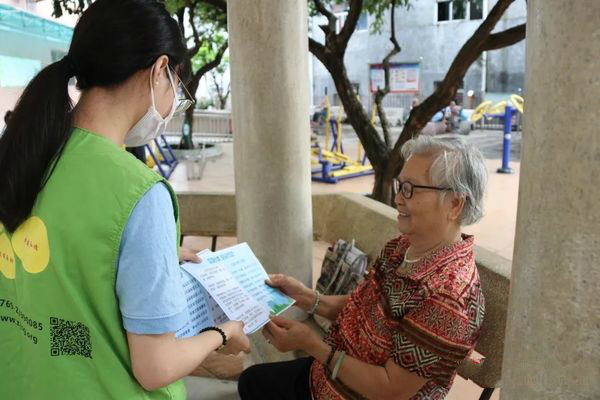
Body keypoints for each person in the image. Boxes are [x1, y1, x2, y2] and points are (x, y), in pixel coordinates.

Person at [0, 1, 249, 399]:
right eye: (176, 84)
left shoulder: (22, 155)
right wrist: (223, 332)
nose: (173, 101)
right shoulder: (140, 194)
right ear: (157, 70)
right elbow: (156, 367)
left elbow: (67, 257)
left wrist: (154, 251)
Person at [238, 135, 487, 400]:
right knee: (251, 382)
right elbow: (364, 307)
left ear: (455, 204)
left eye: (410, 189)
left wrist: (311, 344)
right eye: (399, 185)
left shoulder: (449, 299)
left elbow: (390, 390)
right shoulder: (403, 246)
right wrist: (306, 298)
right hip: (327, 379)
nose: (398, 199)